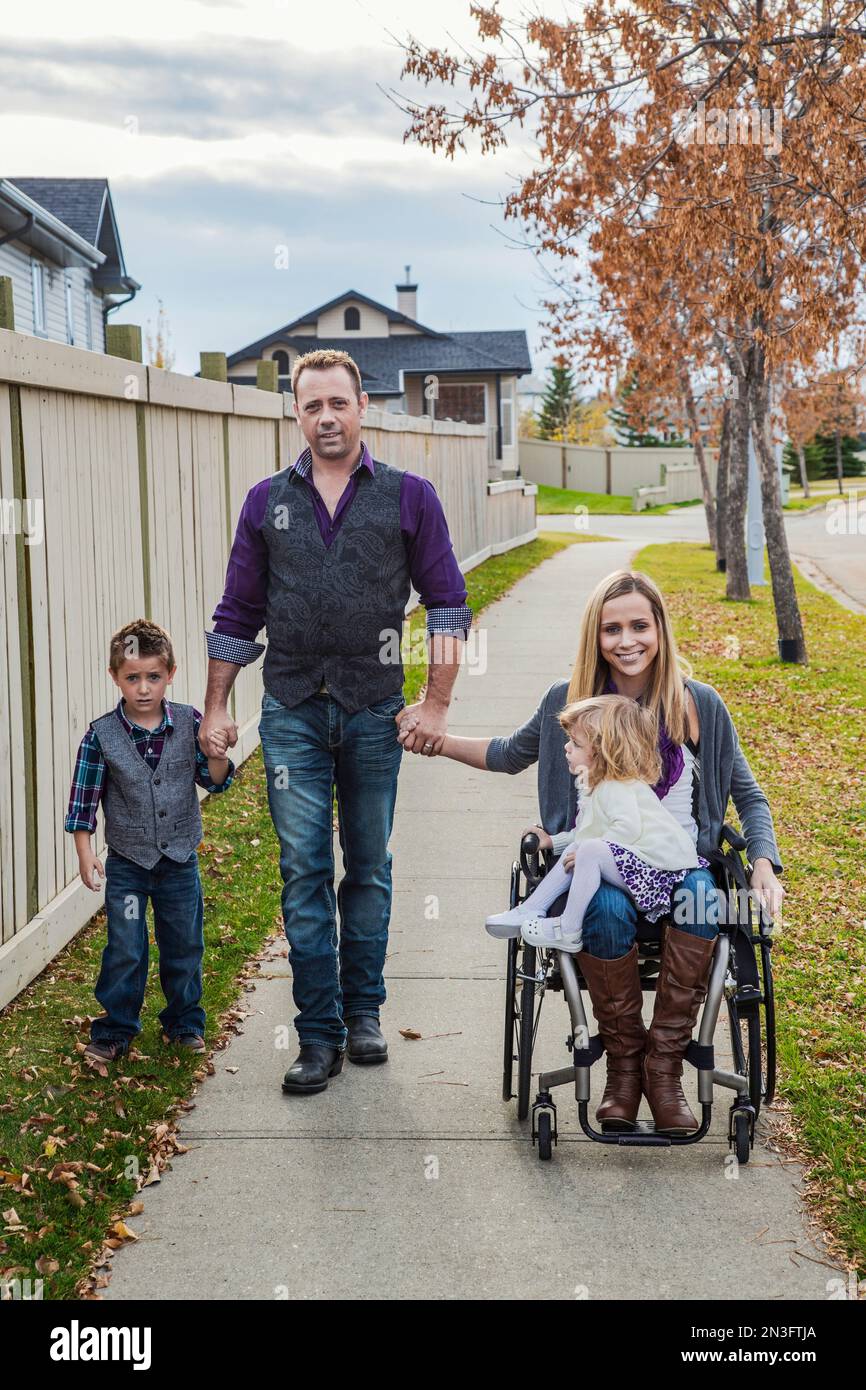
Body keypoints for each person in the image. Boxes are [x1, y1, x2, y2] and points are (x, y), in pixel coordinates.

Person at [399, 568, 784, 1136]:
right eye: (611, 630)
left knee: (703, 897)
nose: (627, 641)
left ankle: (664, 1069)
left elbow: (746, 795)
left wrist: (762, 864)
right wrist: (437, 741)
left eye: (639, 626)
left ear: (660, 630)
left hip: (680, 865)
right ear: (594, 636)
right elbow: (509, 753)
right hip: (598, 867)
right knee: (602, 909)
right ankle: (624, 1070)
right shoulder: (570, 700)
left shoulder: (697, 705)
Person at [199, 349, 470, 1095]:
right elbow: (237, 611)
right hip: (289, 708)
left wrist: (438, 702)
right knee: (304, 870)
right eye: (312, 405)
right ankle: (316, 1035)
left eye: (338, 404)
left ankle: (364, 1014)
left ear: (362, 408)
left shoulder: (410, 498)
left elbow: (447, 602)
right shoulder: (265, 502)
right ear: (296, 413)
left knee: (371, 866)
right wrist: (218, 704)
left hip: (375, 711)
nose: (326, 417)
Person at [65, 619, 234, 1064]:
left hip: (179, 862)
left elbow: (212, 781)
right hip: (128, 865)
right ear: (115, 676)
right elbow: (83, 802)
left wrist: (217, 757)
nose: (143, 688)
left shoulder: (189, 722)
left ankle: (184, 1022)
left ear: (171, 674)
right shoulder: (101, 736)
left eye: (153, 677)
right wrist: (86, 855)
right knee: (125, 945)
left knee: (184, 943)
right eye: (132, 677)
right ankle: (116, 1028)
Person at [485, 694, 703, 955]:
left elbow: (628, 829)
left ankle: (569, 929)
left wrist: (591, 851)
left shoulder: (617, 788)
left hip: (662, 875)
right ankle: (531, 908)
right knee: (581, 847)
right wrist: (554, 842)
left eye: (576, 744)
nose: (566, 748)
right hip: (646, 868)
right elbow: (587, 832)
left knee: (588, 850)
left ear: (604, 753)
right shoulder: (598, 787)